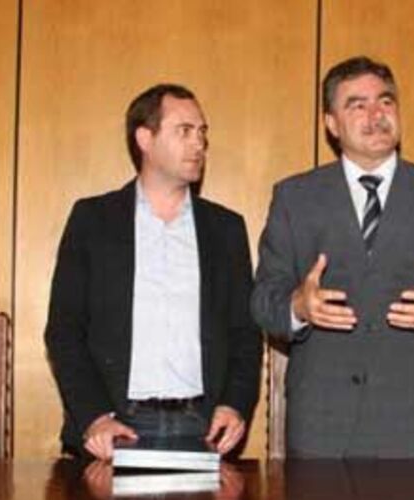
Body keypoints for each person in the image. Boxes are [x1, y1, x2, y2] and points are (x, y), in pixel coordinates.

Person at [250, 56, 414, 457]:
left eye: (385, 101)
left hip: (413, 427)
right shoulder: (295, 198)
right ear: (331, 124)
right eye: (357, 105)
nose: (376, 115)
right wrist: (297, 306)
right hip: (321, 427)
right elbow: (263, 301)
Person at [46, 84, 262, 460]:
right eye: (185, 131)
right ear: (145, 138)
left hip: (203, 426)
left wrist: (234, 404)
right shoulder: (93, 220)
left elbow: (245, 332)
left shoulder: (225, 228)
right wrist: (94, 417)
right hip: (115, 427)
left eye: (202, 132)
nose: (199, 143)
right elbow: (64, 329)